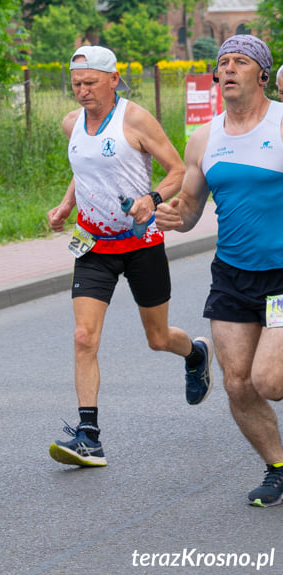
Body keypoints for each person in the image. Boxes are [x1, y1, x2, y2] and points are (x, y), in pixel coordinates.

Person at [46, 46, 213, 468]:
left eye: (89, 83)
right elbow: (82, 168)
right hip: (94, 245)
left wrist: (151, 197)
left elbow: (178, 170)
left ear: (113, 79)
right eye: (76, 84)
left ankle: (194, 354)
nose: (81, 92)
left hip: (141, 243)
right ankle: (89, 436)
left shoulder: (134, 119)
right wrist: (67, 205)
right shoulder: (72, 124)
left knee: (157, 338)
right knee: (84, 337)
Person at [156, 35, 283, 507]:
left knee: (271, 380)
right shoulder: (205, 137)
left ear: (262, 75)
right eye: (222, 62)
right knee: (236, 382)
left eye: (240, 61)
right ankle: (278, 468)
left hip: (281, 275)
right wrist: (173, 215)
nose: (228, 68)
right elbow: (189, 208)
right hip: (232, 274)